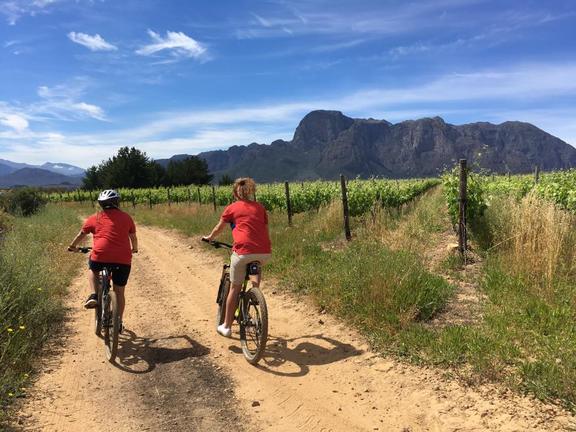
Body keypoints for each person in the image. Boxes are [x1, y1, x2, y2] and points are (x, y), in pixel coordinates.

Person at [203, 177, 272, 338]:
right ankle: (255, 293)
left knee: (235, 288)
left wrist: (210, 237)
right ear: (251, 191)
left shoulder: (232, 208)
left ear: (235, 193)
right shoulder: (261, 208)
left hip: (242, 251)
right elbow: (265, 230)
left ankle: (226, 326)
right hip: (264, 252)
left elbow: (219, 228)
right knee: (255, 264)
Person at [68, 189, 138, 332]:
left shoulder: (95, 218)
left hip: (100, 255)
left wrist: (72, 246)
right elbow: (133, 238)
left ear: (101, 204)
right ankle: (118, 321)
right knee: (120, 292)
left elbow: (81, 234)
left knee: (93, 268)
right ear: (117, 202)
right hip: (123, 259)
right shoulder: (126, 217)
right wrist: (134, 249)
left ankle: (94, 295)